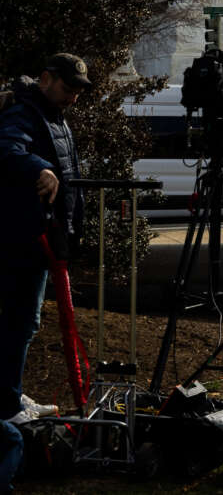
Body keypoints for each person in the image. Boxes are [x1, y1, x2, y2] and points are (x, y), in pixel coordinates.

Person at [0, 54, 92, 425]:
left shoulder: (54, 116)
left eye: (78, 93)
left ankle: (8, 393)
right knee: (21, 321)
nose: (73, 98)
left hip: (42, 236)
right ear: (45, 79)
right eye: (68, 89)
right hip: (23, 237)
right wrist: (40, 168)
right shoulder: (25, 113)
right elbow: (6, 149)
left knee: (23, 321)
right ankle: (7, 406)